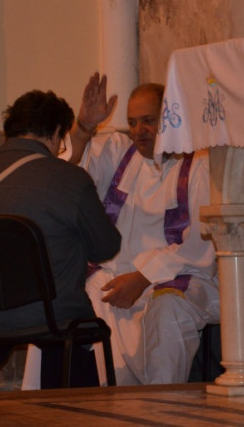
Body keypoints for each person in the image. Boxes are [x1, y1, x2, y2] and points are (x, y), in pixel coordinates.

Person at [0, 89, 122, 393]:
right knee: (66, 324)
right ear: (55, 132)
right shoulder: (69, 178)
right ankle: (75, 408)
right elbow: (106, 247)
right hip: (45, 313)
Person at [66, 73, 219, 385]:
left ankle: (162, 402)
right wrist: (84, 126)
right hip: (120, 277)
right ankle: (115, 399)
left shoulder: (199, 164)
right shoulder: (119, 152)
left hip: (182, 277)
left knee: (167, 307)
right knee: (92, 289)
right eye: (133, 122)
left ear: (172, 117)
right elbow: (69, 175)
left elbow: (201, 244)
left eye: (148, 120)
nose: (139, 130)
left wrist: (143, 278)